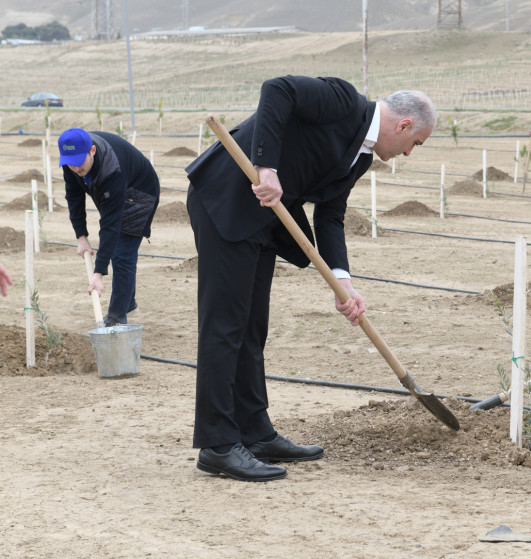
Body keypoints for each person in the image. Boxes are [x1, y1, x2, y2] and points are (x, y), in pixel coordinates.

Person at [186, 75, 437, 482]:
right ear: (404, 126)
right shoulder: (343, 101)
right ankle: (217, 444)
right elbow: (276, 89)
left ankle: (255, 431)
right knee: (224, 326)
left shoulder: (360, 156)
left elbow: (330, 214)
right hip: (227, 199)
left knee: (252, 328)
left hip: (263, 221)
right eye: (415, 144)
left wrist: (344, 281)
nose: (410, 153)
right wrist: (266, 167)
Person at [58, 127, 159, 326]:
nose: (76, 169)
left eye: (80, 163)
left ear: (92, 151)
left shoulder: (112, 170)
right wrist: (81, 236)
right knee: (118, 250)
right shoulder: (71, 162)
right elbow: (74, 197)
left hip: (140, 193)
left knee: (123, 254)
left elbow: (110, 225)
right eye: (71, 165)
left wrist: (98, 273)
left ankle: (117, 317)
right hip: (121, 189)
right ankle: (128, 302)